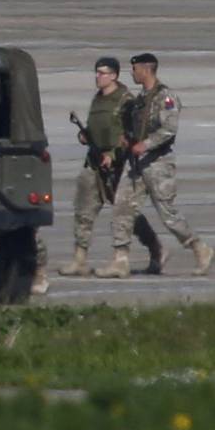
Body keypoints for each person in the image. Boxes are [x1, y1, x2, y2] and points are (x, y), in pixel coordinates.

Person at [96, 53, 214, 280]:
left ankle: (199, 248)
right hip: (137, 165)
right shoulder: (140, 100)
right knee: (122, 206)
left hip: (158, 163)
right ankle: (120, 259)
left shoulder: (165, 97)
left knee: (168, 214)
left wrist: (146, 144)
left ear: (146, 69)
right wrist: (127, 141)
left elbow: (169, 129)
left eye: (135, 69)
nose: (132, 73)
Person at [56, 56, 160, 278]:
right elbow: (98, 128)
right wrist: (85, 136)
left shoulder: (126, 101)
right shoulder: (98, 99)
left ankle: (155, 248)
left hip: (118, 164)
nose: (98, 77)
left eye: (102, 73)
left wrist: (113, 155)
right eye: (96, 72)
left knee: (125, 212)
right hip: (94, 161)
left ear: (113, 75)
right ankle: (80, 259)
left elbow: (131, 134)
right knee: (84, 209)